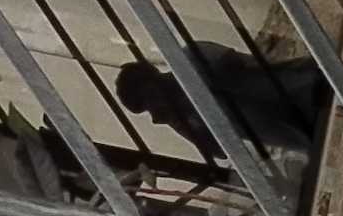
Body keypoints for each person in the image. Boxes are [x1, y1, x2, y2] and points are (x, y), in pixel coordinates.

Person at [116, 48, 330, 164]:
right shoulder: (184, 116)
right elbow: (219, 152)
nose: (155, 108)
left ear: (153, 78)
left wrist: (194, 99)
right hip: (303, 135)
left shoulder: (189, 60)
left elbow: (232, 64)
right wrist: (183, 123)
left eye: (151, 97)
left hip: (305, 87)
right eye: (148, 107)